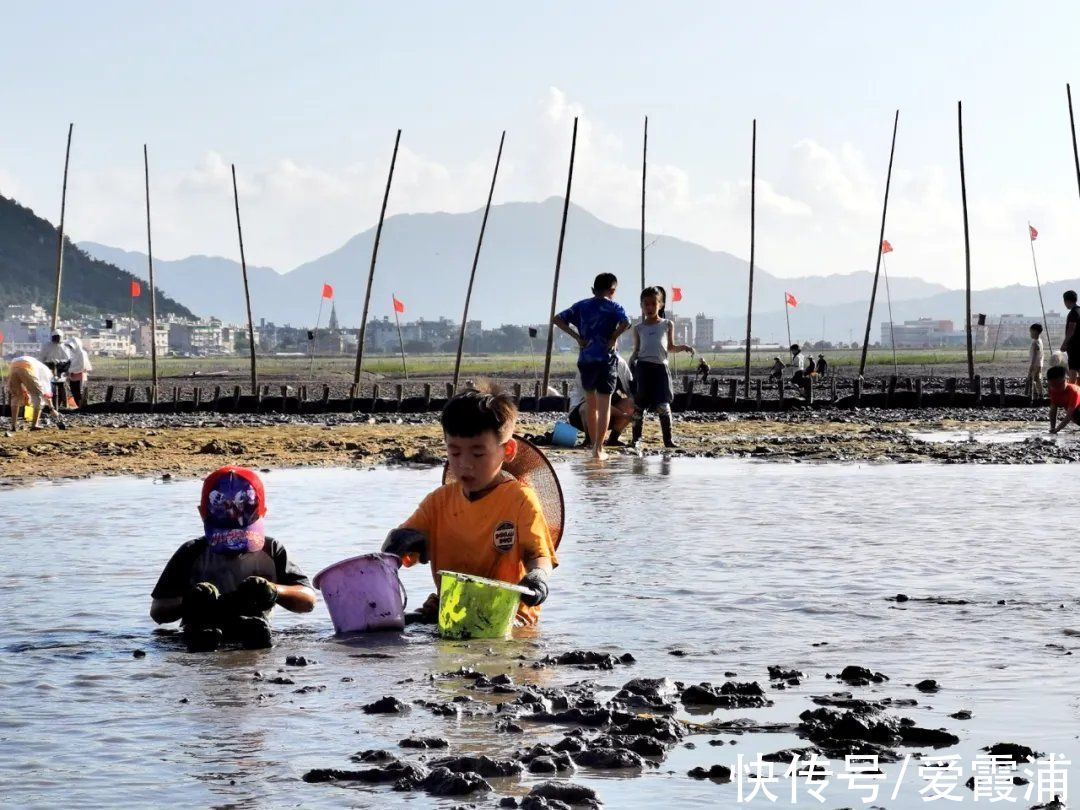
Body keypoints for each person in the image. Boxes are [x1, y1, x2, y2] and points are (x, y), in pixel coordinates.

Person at [382, 390, 557, 626]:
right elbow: (393, 557)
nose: (465, 464)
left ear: (508, 451)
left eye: (478, 453)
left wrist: (537, 579)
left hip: (509, 616)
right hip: (451, 610)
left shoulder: (520, 500)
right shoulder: (438, 502)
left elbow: (540, 556)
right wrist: (397, 542)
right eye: (455, 452)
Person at [150, 466, 316, 651]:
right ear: (202, 514)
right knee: (200, 637)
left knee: (255, 637)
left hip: (252, 625)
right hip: (202, 627)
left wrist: (273, 590)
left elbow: (308, 600)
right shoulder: (191, 552)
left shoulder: (271, 550)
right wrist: (189, 601)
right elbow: (158, 611)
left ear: (263, 514)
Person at [552, 273, 632, 460]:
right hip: (606, 361)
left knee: (592, 406)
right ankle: (598, 448)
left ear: (592, 290)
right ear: (613, 291)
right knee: (604, 406)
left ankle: (593, 445)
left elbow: (557, 319)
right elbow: (627, 322)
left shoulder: (581, 306)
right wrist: (613, 337)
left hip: (586, 360)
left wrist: (577, 337)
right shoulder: (614, 306)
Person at [630, 286, 694, 448]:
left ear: (661, 305)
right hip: (643, 369)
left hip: (661, 370)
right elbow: (637, 350)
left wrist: (684, 347)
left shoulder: (667, 324)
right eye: (646, 304)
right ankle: (636, 439)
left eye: (653, 304)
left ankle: (668, 440)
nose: (649, 307)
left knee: (663, 405)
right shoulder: (638, 328)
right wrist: (631, 362)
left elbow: (670, 347)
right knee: (639, 406)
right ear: (641, 306)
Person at [568, 354, 634, 447]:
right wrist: (622, 415)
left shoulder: (620, 363)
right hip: (583, 413)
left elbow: (631, 391)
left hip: (609, 411)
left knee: (630, 403)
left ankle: (613, 439)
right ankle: (590, 439)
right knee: (588, 406)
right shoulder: (587, 363)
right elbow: (594, 402)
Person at [7, 355, 62, 431]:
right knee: (37, 395)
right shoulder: (47, 372)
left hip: (13, 366)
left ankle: (13, 426)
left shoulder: (38, 365)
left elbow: (23, 381)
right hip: (26, 367)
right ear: (52, 371)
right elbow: (46, 392)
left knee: (16, 395)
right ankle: (34, 424)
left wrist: (25, 392)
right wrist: (52, 409)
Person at [40, 330, 71, 403]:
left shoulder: (64, 346)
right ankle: (51, 402)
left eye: (58, 337)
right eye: (55, 337)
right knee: (50, 385)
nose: (57, 339)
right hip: (49, 367)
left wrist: (59, 362)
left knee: (61, 385)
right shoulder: (47, 345)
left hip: (60, 367)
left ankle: (64, 403)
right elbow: (42, 357)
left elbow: (67, 358)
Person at [1048, 365, 1080, 434]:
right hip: (1074, 411)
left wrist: (1057, 429)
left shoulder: (1073, 391)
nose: (1057, 388)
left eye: (1059, 385)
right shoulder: (1053, 391)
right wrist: (1052, 428)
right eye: (1053, 385)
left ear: (1067, 379)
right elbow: (1053, 410)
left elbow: (1069, 415)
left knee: (1075, 415)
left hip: (1076, 410)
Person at [64, 336, 92, 406]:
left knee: (79, 392)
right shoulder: (73, 353)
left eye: (71, 346)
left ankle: (82, 407)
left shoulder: (82, 353)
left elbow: (82, 366)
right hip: (73, 376)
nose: (70, 348)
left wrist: (70, 370)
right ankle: (79, 406)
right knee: (74, 392)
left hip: (80, 376)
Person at [1061, 290, 1080, 383]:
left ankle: (1071, 395)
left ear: (1067, 301)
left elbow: (1071, 329)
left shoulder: (1073, 312)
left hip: (1074, 347)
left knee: (1073, 371)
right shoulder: (1079, 310)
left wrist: (1065, 344)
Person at [1028, 323, 1045, 400]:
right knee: (1036, 378)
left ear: (1035, 332)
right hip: (1039, 363)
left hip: (1035, 364)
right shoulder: (1040, 341)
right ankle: (1038, 393)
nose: (1030, 334)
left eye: (1031, 332)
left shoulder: (1035, 342)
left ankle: (1038, 393)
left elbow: (1035, 354)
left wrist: (1031, 364)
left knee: (1033, 378)